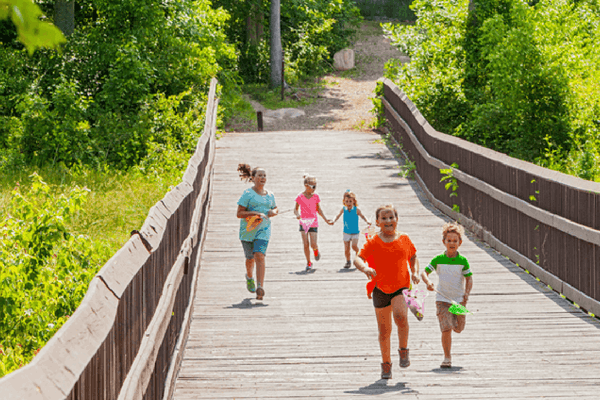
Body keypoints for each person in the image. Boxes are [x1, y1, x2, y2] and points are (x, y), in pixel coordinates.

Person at [354, 204, 420, 379]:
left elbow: (413, 257)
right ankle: (386, 364)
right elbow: (358, 258)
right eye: (384, 218)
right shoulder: (373, 241)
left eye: (391, 217)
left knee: (400, 316)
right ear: (377, 222)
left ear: (397, 220)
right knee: (384, 330)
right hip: (380, 289)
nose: (388, 221)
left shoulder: (404, 238)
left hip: (401, 287)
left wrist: (414, 272)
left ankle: (403, 349)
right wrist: (365, 268)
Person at [421, 222, 473, 369]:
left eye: (455, 241)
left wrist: (466, 294)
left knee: (459, 328)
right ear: (444, 242)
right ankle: (447, 357)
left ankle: (456, 326)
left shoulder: (463, 261)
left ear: (460, 243)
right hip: (442, 298)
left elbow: (469, 278)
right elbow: (424, 272)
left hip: (459, 300)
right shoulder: (438, 259)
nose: (452, 243)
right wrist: (428, 282)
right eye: (449, 240)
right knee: (446, 328)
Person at [236, 164, 278, 300]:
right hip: (248, 231)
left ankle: (260, 287)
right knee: (250, 259)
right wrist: (255, 213)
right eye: (260, 175)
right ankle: (249, 276)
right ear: (253, 178)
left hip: (263, 231)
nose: (263, 178)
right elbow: (239, 213)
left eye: (264, 175)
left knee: (260, 255)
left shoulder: (270, 195)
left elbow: (275, 208)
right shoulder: (248, 194)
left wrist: (273, 212)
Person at [294, 174, 333, 271]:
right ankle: (308, 262)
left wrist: (326, 219)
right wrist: (297, 215)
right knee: (305, 243)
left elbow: (319, 209)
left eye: (316, 186)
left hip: (313, 222)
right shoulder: (300, 196)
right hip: (303, 222)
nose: (314, 189)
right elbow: (295, 209)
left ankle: (316, 250)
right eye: (313, 186)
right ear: (306, 186)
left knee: (313, 244)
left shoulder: (315, 196)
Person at [332, 190, 371, 269]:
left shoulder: (356, 210)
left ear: (354, 201)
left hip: (355, 232)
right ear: (344, 201)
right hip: (346, 232)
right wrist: (333, 220)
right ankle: (348, 261)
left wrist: (367, 221)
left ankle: (359, 254)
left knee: (354, 245)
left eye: (350, 201)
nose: (349, 203)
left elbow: (363, 216)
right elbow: (337, 215)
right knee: (346, 249)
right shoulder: (344, 209)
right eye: (347, 201)